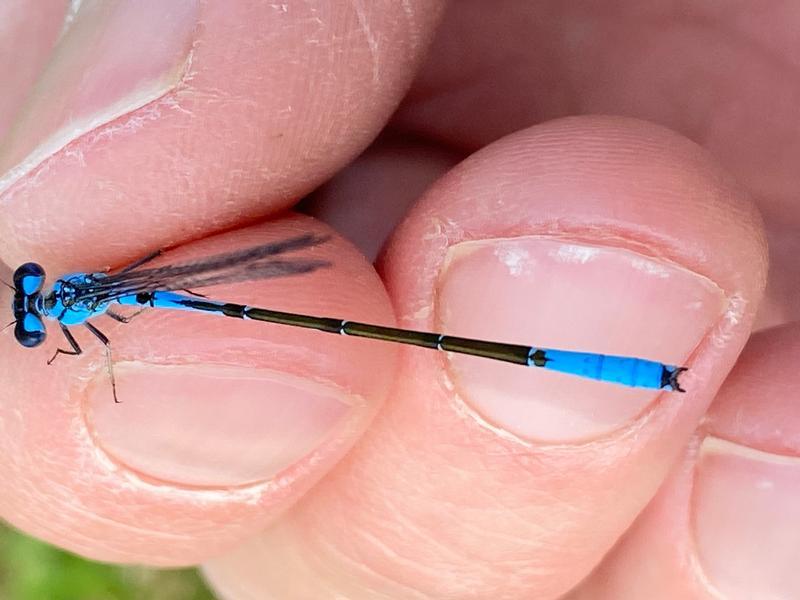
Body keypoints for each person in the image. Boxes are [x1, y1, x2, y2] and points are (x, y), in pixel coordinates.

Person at [0, 1, 796, 598]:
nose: (32, 307)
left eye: (31, 305)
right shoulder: (84, 292)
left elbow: (95, 338)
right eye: (34, 309)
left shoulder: (80, 294)